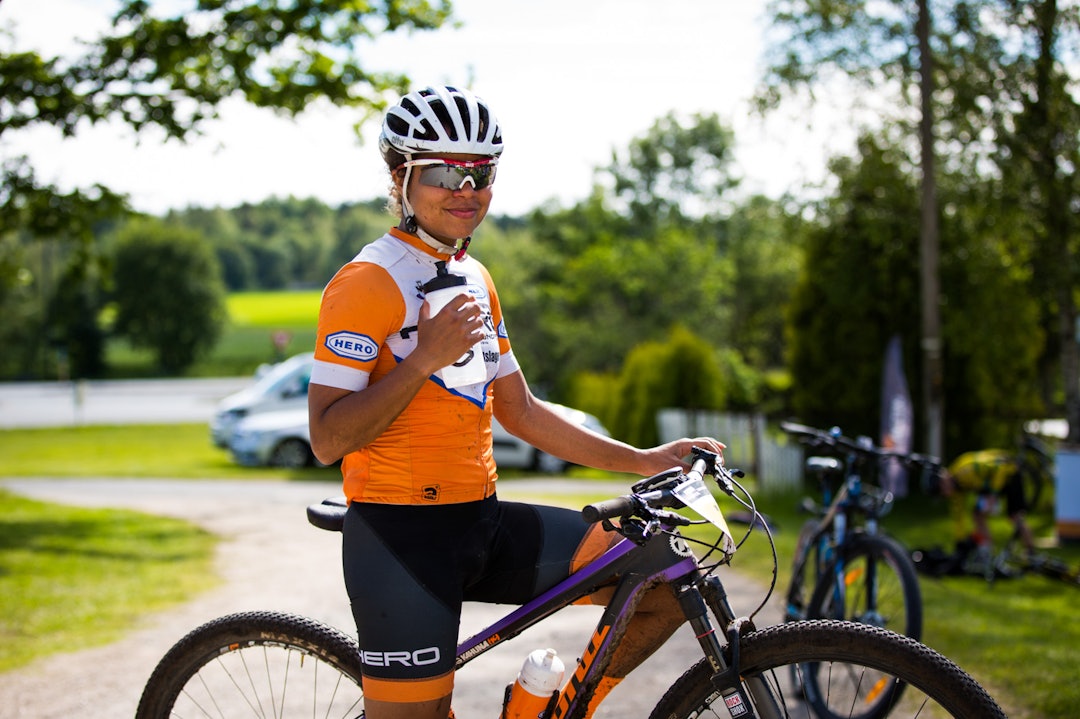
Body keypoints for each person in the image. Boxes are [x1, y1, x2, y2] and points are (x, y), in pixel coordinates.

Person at [307, 85, 726, 719]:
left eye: (481, 173)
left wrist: (645, 459)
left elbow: (520, 410)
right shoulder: (367, 282)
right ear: (401, 178)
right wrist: (421, 361)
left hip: (483, 522)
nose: (465, 189)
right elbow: (327, 439)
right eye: (443, 172)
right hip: (402, 539)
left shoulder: (475, 276)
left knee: (664, 578)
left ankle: (561, 711)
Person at [940, 436, 1052, 568]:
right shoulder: (957, 485)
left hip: (1009, 474)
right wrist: (959, 541)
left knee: (1015, 516)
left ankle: (1030, 552)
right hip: (994, 483)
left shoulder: (965, 471)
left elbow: (1000, 466)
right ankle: (987, 551)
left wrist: (993, 493)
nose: (946, 494)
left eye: (943, 490)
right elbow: (958, 515)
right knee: (978, 515)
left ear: (944, 481)